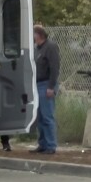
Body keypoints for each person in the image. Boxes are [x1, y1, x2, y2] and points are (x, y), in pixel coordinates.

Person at [30, 24, 60, 154]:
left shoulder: (50, 47)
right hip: (37, 84)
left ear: (39, 35)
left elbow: (55, 68)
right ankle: (42, 143)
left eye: (33, 34)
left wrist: (51, 87)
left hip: (46, 84)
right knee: (39, 116)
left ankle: (51, 145)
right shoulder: (37, 48)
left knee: (47, 116)